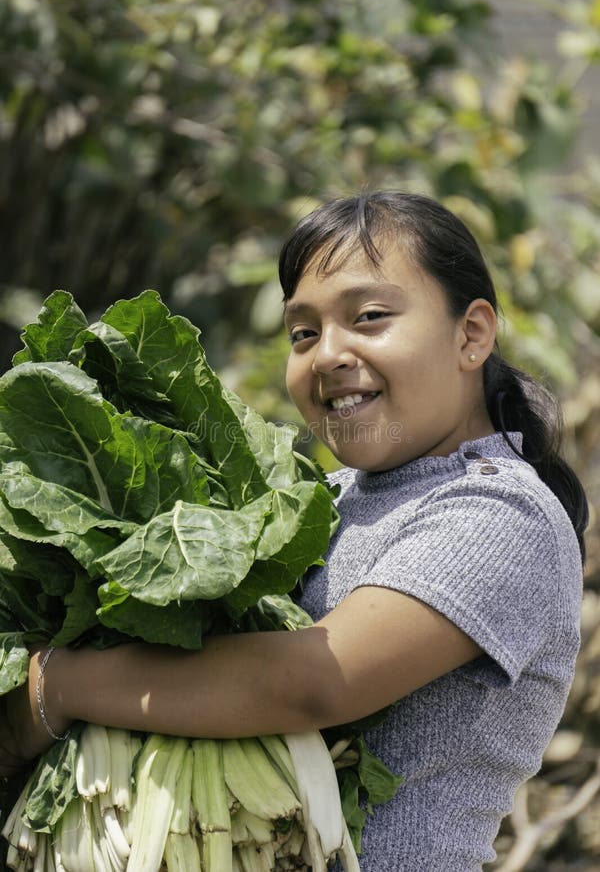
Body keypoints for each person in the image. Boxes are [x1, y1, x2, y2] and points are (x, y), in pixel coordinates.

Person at [0, 192, 588, 871]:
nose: (328, 354)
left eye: (369, 318)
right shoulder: (316, 499)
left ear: (472, 334)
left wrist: (55, 688)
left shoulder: (500, 514)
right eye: (303, 333)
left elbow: (316, 681)